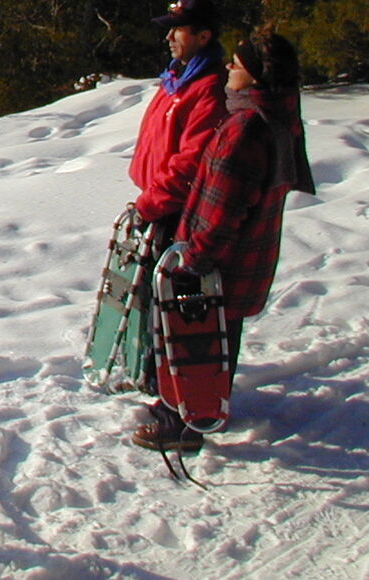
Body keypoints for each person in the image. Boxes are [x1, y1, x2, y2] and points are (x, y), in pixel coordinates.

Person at [132, 28, 315, 451]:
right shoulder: (276, 115)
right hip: (250, 255)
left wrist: (193, 258)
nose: (229, 68)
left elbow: (224, 206)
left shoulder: (245, 129)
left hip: (221, 260)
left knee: (195, 341)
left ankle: (181, 421)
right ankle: (207, 408)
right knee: (222, 336)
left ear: (254, 74)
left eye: (238, 62)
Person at [130, 0, 232, 236]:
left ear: (203, 36)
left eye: (177, 30)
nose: (168, 37)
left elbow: (192, 161)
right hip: (157, 203)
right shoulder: (177, 79)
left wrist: (150, 205)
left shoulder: (209, 88)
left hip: (177, 212)